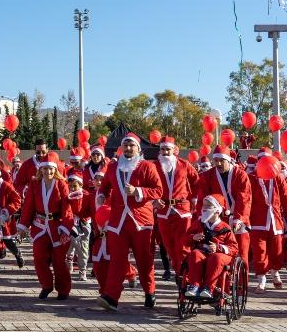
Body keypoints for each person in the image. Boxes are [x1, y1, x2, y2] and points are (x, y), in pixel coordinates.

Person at [96, 133, 163, 312]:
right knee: (117, 260)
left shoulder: (147, 166)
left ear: (138, 149)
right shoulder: (113, 167)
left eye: (131, 145)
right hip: (118, 221)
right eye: (125, 145)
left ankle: (150, 292)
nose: (128, 148)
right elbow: (105, 185)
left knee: (144, 260)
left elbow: (158, 190)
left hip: (141, 221)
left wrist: (138, 191)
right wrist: (102, 194)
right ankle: (111, 296)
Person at [17, 160, 73, 299]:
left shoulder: (61, 184)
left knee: (59, 261)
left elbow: (67, 208)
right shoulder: (35, 184)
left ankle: (63, 290)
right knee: (39, 257)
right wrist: (23, 226)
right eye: (45, 169)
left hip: (57, 226)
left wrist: (66, 227)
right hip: (40, 225)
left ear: (55, 170)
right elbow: (28, 206)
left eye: (51, 169)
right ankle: (46, 285)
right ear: (40, 170)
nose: (48, 172)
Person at [248, 150, 287, 292]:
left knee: (277, 251)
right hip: (257, 222)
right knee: (259, 252)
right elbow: (245, 200)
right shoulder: (251, 178)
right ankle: (261, 280)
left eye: (267, 160)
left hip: (275, 221)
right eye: (262, 160)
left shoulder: (278, 178)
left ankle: (275, 272)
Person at [194, 145, 251, 269]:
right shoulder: (207, 176)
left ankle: (241, 282)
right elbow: (202, 200)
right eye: (216, 160)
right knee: (217, 249)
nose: (218, 163)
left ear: (229, 160)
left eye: (222, 160)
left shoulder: (240, 175)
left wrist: (238, 219)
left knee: (241, 250)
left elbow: (244, 199)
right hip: (217, 219)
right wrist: (202, 218)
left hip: (238, 218)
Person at [154, 136, 197, 281]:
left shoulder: (184, 164)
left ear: (174, 150)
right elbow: (146, 184)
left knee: (184, 244)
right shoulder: (154, 166)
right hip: (163, 210)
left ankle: (184, 275)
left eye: (168, 149)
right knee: (168, 245)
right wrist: (154, 200)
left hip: (182, 209)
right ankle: (179, 270)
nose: (165, 152)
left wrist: (193, 198)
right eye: (162, 149)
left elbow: (196, 181)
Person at [183, 195, 238, 299]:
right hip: (202, 252)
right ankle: (194, 285)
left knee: (216, 258)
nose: (204, 208)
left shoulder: (225, 227)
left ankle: (209, 288)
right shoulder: (198, 224)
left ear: (217, 211)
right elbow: (184, 239)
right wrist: (193, 237)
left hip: (220, 255)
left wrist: (219, 248)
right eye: (204, 206)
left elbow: (234, 248)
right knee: (194, 254)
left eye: (208, 206)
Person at [65, 172, 91, 280]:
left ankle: (82, 270)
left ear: (80, 185)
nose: (72, 188)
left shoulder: (87, 195)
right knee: (71, 244)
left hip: (84, 223)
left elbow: (91, 210)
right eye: (70, 186)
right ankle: (69, 262)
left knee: (83, 247)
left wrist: (83, 217)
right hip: (71, 223)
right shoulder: (67, 195)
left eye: (74, 186)